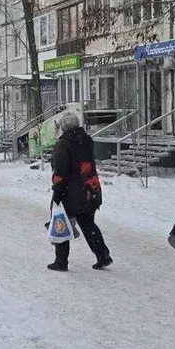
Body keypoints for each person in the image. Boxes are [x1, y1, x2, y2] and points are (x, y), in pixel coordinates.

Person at [48, 113, 111, 272]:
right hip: (90, 189)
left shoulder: (64, 145)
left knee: (60, 221)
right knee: (88, 224)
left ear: (63, 127)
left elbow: (61, 171)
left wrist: (57, 192)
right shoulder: (86, 140)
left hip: (71, 193)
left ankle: (61, 261)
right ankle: (103, 255)